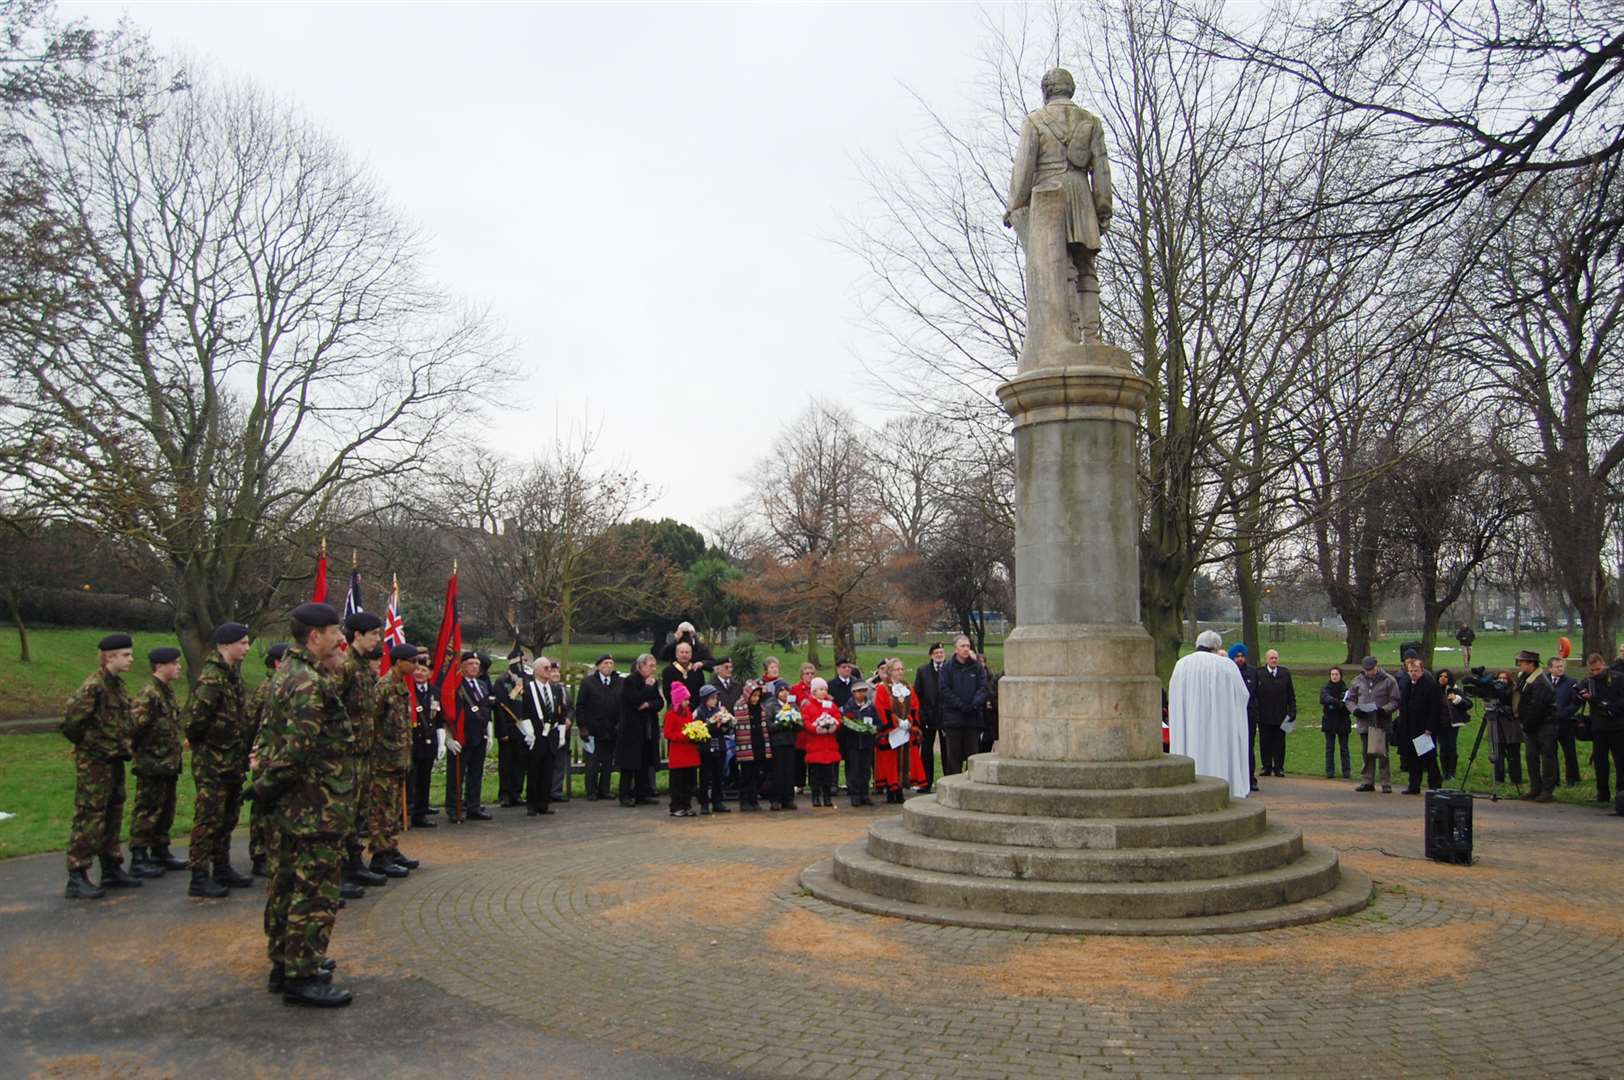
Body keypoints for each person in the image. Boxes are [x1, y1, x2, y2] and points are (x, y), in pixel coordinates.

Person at [250, 601, 354, 1007]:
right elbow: (297, 751)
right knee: (314, 891)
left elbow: (270, 737)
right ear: (315, 636)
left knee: (285, 885)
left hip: (291, 805)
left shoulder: (286, 674)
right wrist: (268, 785)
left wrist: (266, 786)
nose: (340, 638)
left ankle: (285, 962)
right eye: (335, 631)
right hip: (315, 805)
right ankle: (303, 974)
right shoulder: (308, 683)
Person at [1001, 66, 1113, 341]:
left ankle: (1071, 334)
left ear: (1046, 91)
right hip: (1081, 195)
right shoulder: (1091, 122)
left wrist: (1014, 204)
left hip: (1049, 200)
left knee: (1060, 267)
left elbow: (1025, 167)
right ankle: (1092, 336)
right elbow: (1102, 170)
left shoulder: (1035, 121)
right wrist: (1102, 209)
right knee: (1087, 267)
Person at [61, 633, 139, 899]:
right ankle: (77, 874)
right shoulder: (93, 686)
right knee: (90, 814)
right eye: (126, 655)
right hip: (95, 762)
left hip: (114, 758)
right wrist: (91, 745)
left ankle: (111, 866)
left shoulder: (117, 685)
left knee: (112, 812)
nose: (131, 659)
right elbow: (72, 723)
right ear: (109, 656)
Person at [186, 621, 254, 897]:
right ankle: (199, 874)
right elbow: (195, 720)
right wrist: (210, 747)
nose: (247, 647)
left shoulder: (231, 675)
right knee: (208, 818)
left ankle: (222, 865)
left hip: (231, 760)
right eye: (243, 643)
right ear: (226, 645)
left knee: (227, 816)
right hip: (213, 762)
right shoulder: (212, 677)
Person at [1167, 630, 1251, 800]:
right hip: (1219, 727)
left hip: (1190, 728)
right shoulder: (1226, 665)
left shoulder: (1181, 665)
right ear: (1216, 647)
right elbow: (1243, 695)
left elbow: (1174, 698)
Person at [127, 645, 187, 878]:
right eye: (175, 663)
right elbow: (133, 727)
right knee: (148, 808)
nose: (179, 667)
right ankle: (139, 855)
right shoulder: (149, 693)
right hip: (152, 763)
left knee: (166, 808)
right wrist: (146, 751)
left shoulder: (166, 691)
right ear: (161, 666)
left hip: (168, 763)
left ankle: (160, 849)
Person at [337, 613, 387, 889]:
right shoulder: (345, 667)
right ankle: (342, 867)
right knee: (344, 811)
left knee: (358, 810)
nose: (378, 640)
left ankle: (355, 862)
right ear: (357, 635)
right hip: (347, 753)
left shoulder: (364, 668)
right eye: (374, 634)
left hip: (365, 751)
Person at [367, 643, 422, 879]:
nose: (416, 666)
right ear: (399, 662)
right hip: (383, 760)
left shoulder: (401, 685)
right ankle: (380, 855)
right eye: (412, 661)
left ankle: (390, 847)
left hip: (397, 758)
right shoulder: (384, 687)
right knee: (381, 808)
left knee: (393, 808)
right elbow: (371, 722)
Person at [247, 644, 291, 880]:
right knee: (262, 809)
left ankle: (270, 852)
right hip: (265, 754)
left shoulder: (283, 686)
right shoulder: (268, 689)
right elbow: (253, 721)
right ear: (277, 663)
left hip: (276, 753)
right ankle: (259, 854)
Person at [447, 651, 493, 821]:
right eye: (470, 663)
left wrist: (489, 732)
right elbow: (450, 711)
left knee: (476, 773)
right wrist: (449, 738)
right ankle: (454, 808)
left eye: (476, 664)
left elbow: (487, 709)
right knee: (456, 774)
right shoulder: (456, 686)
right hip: (462, 735)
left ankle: (473, 806)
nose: (474, 666)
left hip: (479, 734)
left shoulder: (482, 685)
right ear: (462, 666)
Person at [1347, 655, 1401, 794]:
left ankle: (1385, 782)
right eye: (1367, 670)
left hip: (1381, 722)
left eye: (1371, 669)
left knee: (1382, 753)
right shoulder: (1357, 680)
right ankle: (1367, 781)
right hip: (1364, 722)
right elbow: (1350, 699)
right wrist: (1355, 710)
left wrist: (1385, 709)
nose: (1369, 672)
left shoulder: (1389, 680)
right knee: (1366, 753)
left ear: (1377, 666)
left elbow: (1395, 700)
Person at [616, 654, 663, 808]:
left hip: (648, 728)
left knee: (644, 763)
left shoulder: (652, 681)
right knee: (629, 765)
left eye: (654, 666)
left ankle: (641, 793)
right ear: (640, 666)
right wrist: (648, 688)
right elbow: (634, 699)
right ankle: (625, 795)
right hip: (632, 729)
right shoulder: (630, 681)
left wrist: (648, 704)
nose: (653, 669)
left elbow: (660, 702)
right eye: (650, 665)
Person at [939, 636, 990, 776]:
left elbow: (983, 688)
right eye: (962, 646)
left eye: (968, 646)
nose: (966, 649)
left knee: (972, 756)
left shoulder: (977, 667)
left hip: (973, 718)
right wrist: (960, 705)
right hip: (953, 719)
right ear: (956, 648)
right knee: (953, 758)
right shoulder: (947, 668)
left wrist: (974, 704)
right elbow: (945, 690)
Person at [523, 656, 567, 817]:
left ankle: (544, 803)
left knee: (549, 770)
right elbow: (524, 712)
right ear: (536, 670)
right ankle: (532, 804)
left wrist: (561, 733)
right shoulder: (529, 688)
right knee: (535, 770)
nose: (550, 670)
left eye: (550, 668)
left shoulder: (555, 689)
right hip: (537, 735)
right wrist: (529, 733)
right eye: (546, 668)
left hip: (552, 735)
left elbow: (561, 712)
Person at [1396, 650, 1444, 794]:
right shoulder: (1408, 685)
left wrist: (1429, 728)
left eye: (1415, 670)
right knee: (1412, 759)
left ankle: (1435, 785)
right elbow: (1403, 706)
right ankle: (1414, 785)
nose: (1413, 673)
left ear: (1422, 670)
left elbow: (1435, 710)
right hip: (1409, 728)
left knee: (1429, 758)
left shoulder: (1430, 686)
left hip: (1424, 729)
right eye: (1410, 671)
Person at [1515, 649, 1559, 803]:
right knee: (1531, 757)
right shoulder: (1526, 679)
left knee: (1547, 757)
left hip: (1544, 725)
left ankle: (1547, 790)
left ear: (1531, 664)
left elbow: (1537, 707)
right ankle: (1535, 788)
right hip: (1531, 725)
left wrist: (1527, 724)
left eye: (1522, 662)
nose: (1519, 664)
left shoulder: (1540, 682)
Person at [576, 653, 621, 801]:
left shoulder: (618, 682)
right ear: (598, 666)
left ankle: (605, 790)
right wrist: (583, 726)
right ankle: (591, 791)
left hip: (611, 729)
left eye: (610, 663)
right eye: (605, 663)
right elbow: (580, 706)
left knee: (608, 763)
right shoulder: (588, 683)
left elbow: (622, 705)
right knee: (592, 763)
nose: (608, 666)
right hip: (593, 729)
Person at [1581, 652, 1623, 804]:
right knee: (1600, 762)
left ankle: (1621, 793)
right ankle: (1602, 793)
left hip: (1617, 726)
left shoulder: (1618, 678)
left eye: (1598, 669)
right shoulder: (1589, 681)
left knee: (1620, 761)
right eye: (1592, 670)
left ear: (1603, 664)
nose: (1595, 673)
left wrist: (1609, 707)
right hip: (1598, 727)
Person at [874, 659, 919, 803]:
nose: (900, 672)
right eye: (897, 669)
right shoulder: (882, 688)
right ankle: (891, 790)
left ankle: (900, 788)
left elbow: (915, 706)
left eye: (902, 669)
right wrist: (896, 721)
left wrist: (909, 721)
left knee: (904, 760)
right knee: (890, 761)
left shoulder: (908, 687)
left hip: (905, 730)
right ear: (890, 671)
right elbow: (881, 708)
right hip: (891, 731)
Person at [407, 655, 445, 826]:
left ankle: (420, 814)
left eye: (424, 670)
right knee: (410, 780)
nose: (419, 673)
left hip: (428, 742)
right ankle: (406, 811)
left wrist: (441, 740)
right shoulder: (407, 689)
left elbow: (439, 718)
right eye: (416, 669)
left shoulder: (435, 692)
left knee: (425, 779)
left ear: (430, 673)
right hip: (412, 741)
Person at [492, 647, 528, 807]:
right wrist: (502, 731)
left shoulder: (527, 680)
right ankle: (505, 794)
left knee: (521, 762)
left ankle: (516, 793)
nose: (523, 664)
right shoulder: (502, 681)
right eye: (522, 660)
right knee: (506, 763)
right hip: (508, 727)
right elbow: (499, 707)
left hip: (524, 728)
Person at [1254, 649, 1296, 778]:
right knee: (1265, 742)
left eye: (1275, 658)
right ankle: (1266, 766)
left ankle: (1279, 767)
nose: (1274, 660)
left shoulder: (1285, 673)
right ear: (1266, 659)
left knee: (1279, 743)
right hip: (1264, 715)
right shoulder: (1259, 673)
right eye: (1271, 658)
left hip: (1281, 715)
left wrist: (1292, 711)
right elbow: (1255, 694)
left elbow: (1291, 695)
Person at [802, 678, 842, 807]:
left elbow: (837, 717)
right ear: (814, 691)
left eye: (825, 689)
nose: (823, 692)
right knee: (815, 775)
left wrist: (833, 725)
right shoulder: (808, 706)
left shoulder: (831, 705)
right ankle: (815, 796)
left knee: (827, 775)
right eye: (820, 689)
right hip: (815, 745)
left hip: (829, 746)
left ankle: (827, 796)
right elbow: (806, 722)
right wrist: (816, 728)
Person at [663, 682, 702, 817]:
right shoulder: (671, 715)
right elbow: (668, 733)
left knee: (689, 782)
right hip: (678, 753)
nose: (688, 702)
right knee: (677, 783)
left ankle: (687, 805)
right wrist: (683, 735)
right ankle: (676, 806)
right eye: (685, 699)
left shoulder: (688, 713)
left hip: (689, 752)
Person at [693, 684, 732, 815]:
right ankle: (704, 803)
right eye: (712, 698)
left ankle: (717, 801)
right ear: (705, 699)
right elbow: (700, 730)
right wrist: (714, 725)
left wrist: (726, 724)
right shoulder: (699, 712)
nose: (714, 700)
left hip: (719, 746)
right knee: (705, 776)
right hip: (706, 748)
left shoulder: (719, 711)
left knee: (718, 775)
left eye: (715, 697)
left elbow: (726, 728)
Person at [1228, 643, 1261, 791]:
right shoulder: (1229, 671)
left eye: (1242, 656)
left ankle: (1250, 778)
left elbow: (1256, 693)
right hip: (1233, 714)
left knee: (1249, 746)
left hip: (1249, 713)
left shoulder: (1253, 672)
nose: (1240, 659)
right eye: (1237, 657)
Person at [731, 680, 769, 811]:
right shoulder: (739, 707)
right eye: (754, 696)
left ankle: (754, 799)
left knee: (757, 774)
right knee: (746, 775)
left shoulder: (761, 708)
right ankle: (744, 800)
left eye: (758, 696)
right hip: (746, 746)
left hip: (759, 745)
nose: (756, 699)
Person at [1482, 670, 1523, 788]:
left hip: (1511, 724)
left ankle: (1516, 779)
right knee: (1498, 753)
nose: (1502, 680)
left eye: (1504, 678)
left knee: (1513, 753)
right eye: (1499, 678)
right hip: (1496, 722)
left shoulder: (1514, 690)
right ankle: (1499, 778)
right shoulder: (1493, 690)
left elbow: (1516, 708)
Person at [540, 658, 573, 803]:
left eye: (557, 671)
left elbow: (571, 708)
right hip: (551, 729)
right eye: (552, 671)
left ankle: (556, 790)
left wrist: (569, 719)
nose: (556, 674)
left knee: (561, 761)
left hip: (564, 730)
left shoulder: (563, 689)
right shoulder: (545, 689)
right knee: (549, 761)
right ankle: (546, 791)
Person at [914, 644, 946, 792]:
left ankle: (947, 781)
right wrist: (921, 714)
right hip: (928, 717)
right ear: (931, 655)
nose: (939, 655)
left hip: (946, 717)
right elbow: (917, 694)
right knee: (926, 751)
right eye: (936, 652)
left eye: (941, 652)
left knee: (947, 751)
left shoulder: (950, 668)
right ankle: (925, 783)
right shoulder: (923, 671)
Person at [1548, 655, 1583, 787]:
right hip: (1550, 723)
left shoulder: (1571, 682)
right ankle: (1554, 779)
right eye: (1557, 667)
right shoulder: (1545, 681)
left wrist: (1564, 713)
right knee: (1551, 752)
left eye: (1561, 666)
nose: (1560, 669)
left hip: (1566, 723)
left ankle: (1572, 778)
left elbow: (1576, 703)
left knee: (1570, 752)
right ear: (1550, 668)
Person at [842, 681, 879, 807]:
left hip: (867, 743)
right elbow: (844, 724)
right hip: (853, 744)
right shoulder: (848, 707)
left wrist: (873, 728)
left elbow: (878, 722)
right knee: (854, 770)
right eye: (858, 691)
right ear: (853, 693)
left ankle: (865, 794)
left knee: (865, 770)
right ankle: (855, 795)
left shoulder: (871, 707)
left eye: (864, 690)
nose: (861, 693)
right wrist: (855, 728)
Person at [767, 682, 801, 810]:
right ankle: (775, 799)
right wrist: (782, 723)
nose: (784, 693)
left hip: (790, 743)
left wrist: (794, 722)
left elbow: (800, 725)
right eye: (781, 690)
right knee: (777, 772)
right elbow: (769, 726)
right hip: (777, 744)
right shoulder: (771, 707)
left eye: (786, 690)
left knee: (789, 771)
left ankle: (789, 799)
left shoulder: (793, 706)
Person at [1435, 669, 1472, 781]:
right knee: (1442, 749)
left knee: (1451, 747)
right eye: (1441, 676)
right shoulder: (1434, 691)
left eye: (1445, 676)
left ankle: (1451, 773)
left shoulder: (1455, 691)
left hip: (1452, 724)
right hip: (1439, 724)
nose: (1442, 678)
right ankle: (1444, 772)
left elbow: (1469, 704)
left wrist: (1456, 699)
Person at [1319, 666, 1352, 780]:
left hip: (1343, 722)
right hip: (1329, 722)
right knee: (1329, 748)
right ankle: (1329, 771)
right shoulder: (1325, 688)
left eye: (1336, 674)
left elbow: (1347, 706)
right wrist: (1337, 703)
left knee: (1344, 748)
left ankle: (1346, 771)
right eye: (1332, 674)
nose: (1334, 676)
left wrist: (1335, 705)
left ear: (1340, 675)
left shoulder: (1346, 689)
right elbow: (1324, 700)